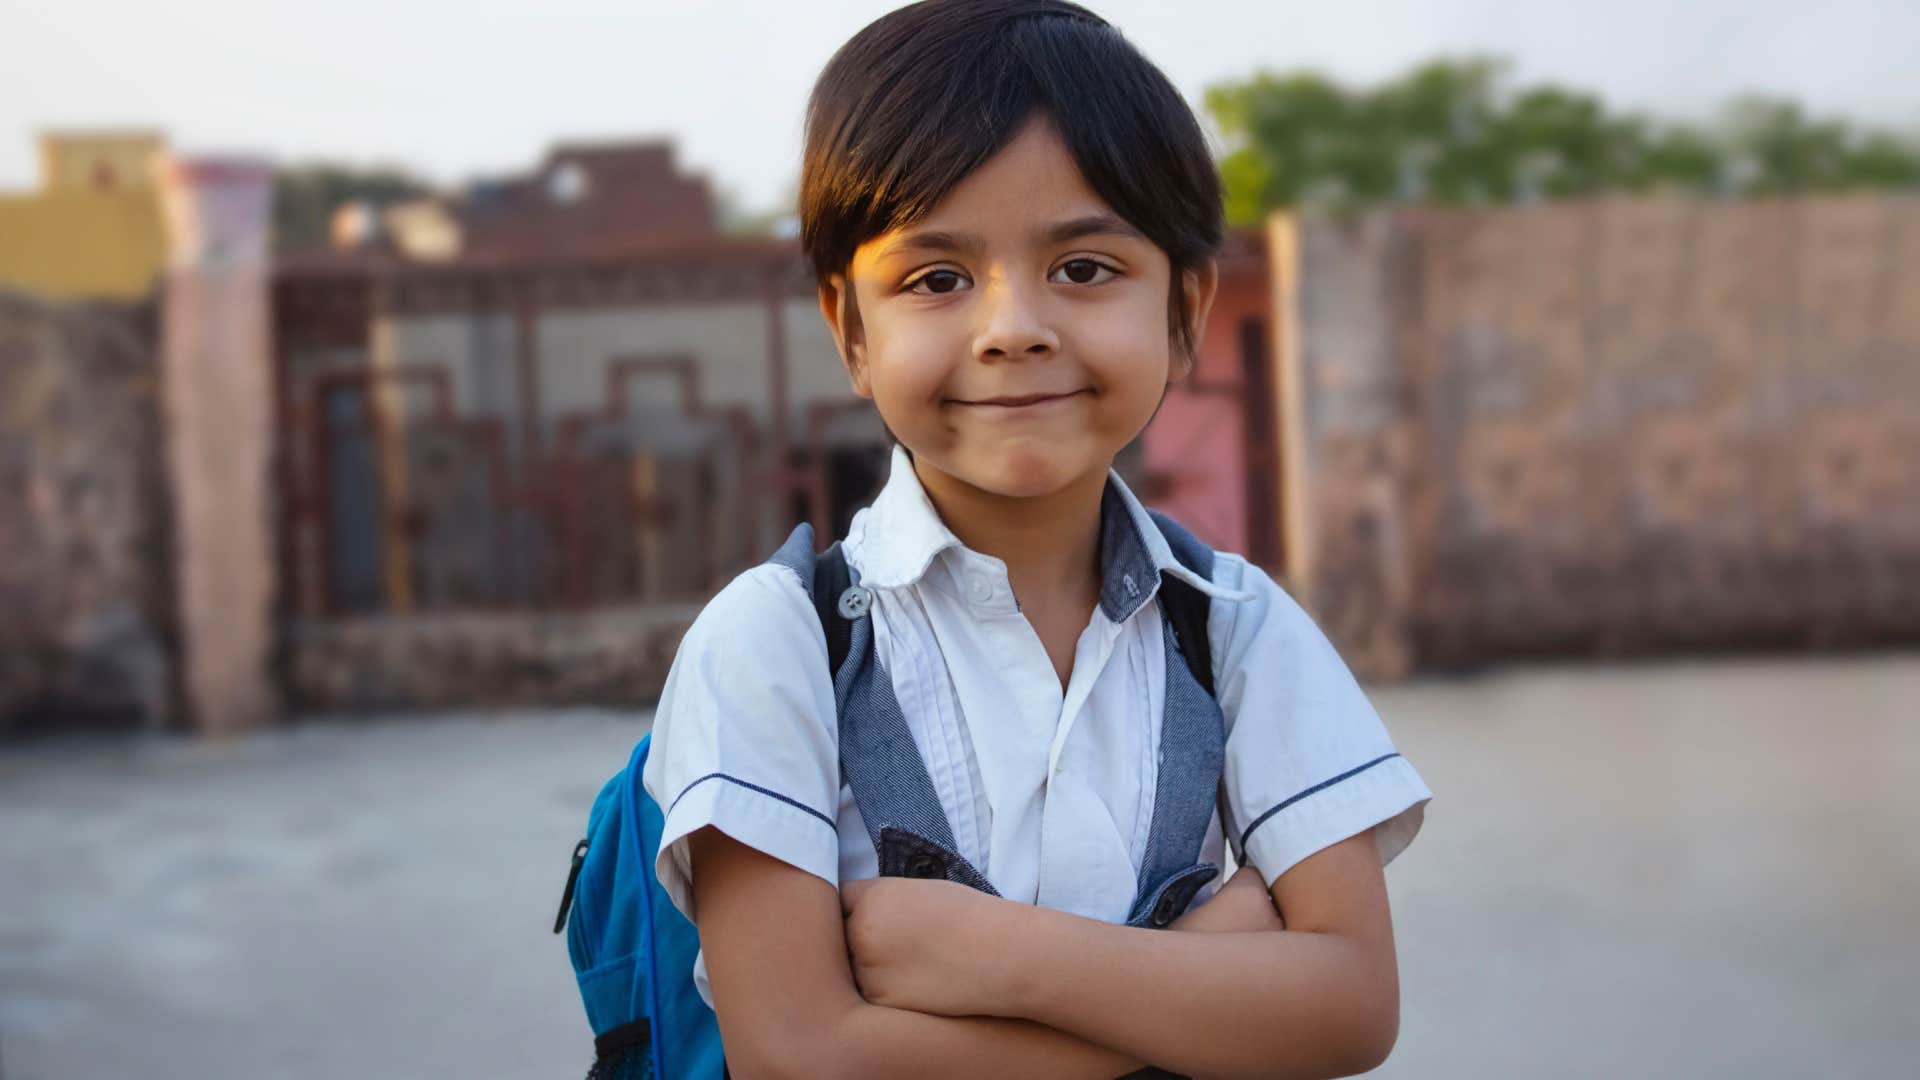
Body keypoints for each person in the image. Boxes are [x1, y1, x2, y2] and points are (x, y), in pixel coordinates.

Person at [639, 2, 1434, 1075]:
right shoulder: (775, 645)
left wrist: (1001, 959)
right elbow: (802, 1053)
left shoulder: (1236, 626)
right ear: (850, 330)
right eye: (937, 279)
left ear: (1186, 309)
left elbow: (1350, 1007)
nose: (1014, 325)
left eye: (1085, 269)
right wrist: (1208, 974)